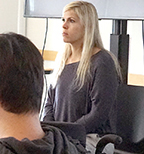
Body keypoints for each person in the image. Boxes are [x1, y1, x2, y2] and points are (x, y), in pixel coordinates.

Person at [42, 1, 121, 137]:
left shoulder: (102, 62)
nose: (64, 25)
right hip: (62, 138)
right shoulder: (62, 60)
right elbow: (49, 104)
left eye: (71, 21)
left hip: (91, 138)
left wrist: (67, 135)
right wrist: (50, 132)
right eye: (63, 20)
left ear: (87, 26)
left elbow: (99, 113)